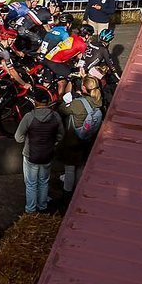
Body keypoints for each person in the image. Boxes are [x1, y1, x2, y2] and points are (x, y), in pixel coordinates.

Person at [57, 75, 103, 204]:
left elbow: (62, 109)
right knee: (81, 166)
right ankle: (80, 190)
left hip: (74, 139)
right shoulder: (99, 101)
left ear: (83, 87)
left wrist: (67, 101)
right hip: (89, 138)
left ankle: (67, 195)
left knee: (70, 168)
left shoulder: (78, 104)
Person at [14, 98, 64, 214]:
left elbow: (18, 137)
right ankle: (42, 206)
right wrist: (53, 142)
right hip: (47, 153)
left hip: (30, 154)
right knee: (44, 181)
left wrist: (26, 141)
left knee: (31, 183)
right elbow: (61, 135)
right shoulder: (55, 116)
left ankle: (30, 209)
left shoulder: (29, 117)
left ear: (35, 102)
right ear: (47, 103)